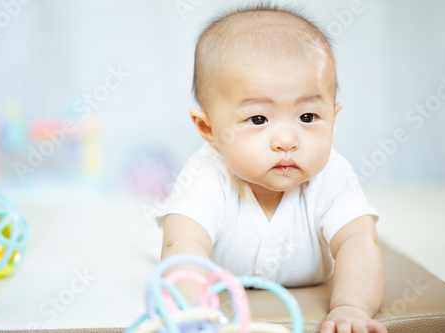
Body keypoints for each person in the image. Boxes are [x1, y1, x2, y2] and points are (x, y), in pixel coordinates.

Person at [157, 4, 387, 332]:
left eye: (308, 117)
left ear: (333, 117)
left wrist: (351, 307)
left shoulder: (332, 173)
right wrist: (194, 313)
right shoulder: (204, 175)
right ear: (209, 130)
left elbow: (359, 243)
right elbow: (182, 249)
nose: (286, 140)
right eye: (258, 119)